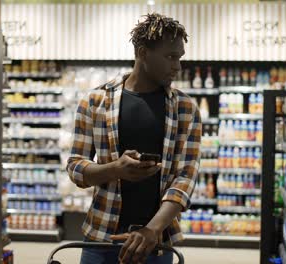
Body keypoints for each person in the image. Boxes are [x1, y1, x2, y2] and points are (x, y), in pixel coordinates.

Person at [66, 13, 202, 264]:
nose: (178, 66)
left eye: (180, 58)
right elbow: (75, 167)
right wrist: (114, 169)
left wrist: (152, 230)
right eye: (171, 57)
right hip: (101, 238)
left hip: (155, 243)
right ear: (142, 52)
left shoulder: (185, 109)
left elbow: (185, 178)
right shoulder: (95, 102)